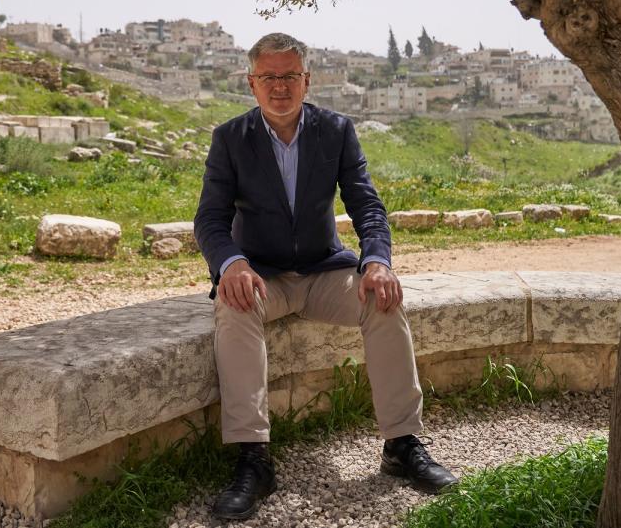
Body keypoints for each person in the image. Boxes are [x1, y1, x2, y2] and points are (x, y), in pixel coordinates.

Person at [194, 32, 458, 521]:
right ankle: (253, 458)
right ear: (251, 84)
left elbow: (367, 206)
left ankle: (401, 444)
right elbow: (209, 218)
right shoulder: (230, 138)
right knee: (232, 310)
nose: (279, 87)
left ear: (306, 80)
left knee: (384, 300)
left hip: (323, 270)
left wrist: (377, 261)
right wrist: (231, 263)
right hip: (262, 277)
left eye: (289, 76)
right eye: (269, 77)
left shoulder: (336, 130)